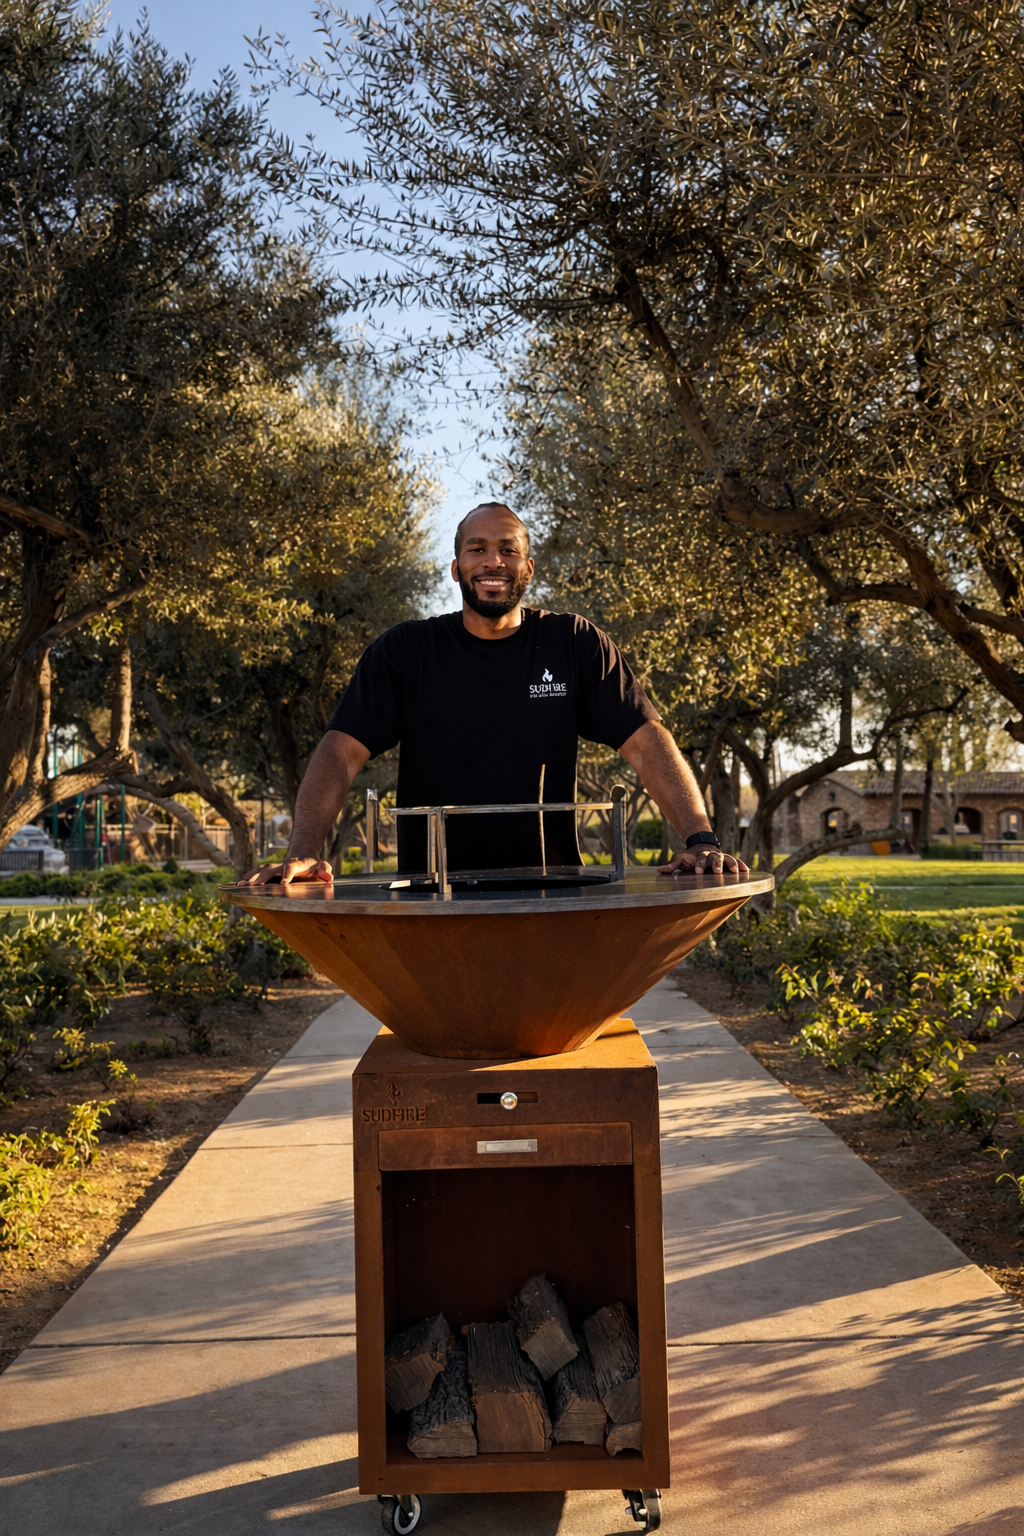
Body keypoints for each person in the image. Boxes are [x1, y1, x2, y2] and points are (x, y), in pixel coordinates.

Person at [239, 502, 748, 885]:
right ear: (456, 566)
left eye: (509, 550)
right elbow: (341, 753)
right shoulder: (405, 651)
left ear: (528, 568)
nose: (493, 562)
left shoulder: (574, 642)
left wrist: (700, 840)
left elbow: (645, 740)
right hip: (430, 895)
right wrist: (303, 849)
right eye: (477, 549)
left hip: (552, 891)